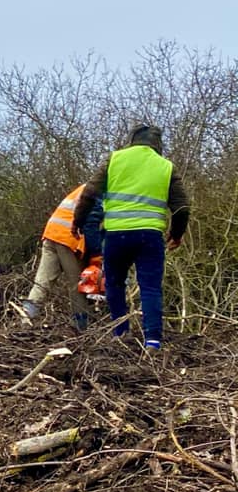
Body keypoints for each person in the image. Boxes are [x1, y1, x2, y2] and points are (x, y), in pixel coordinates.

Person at [72, 124, 189, 352]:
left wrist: (78, 222)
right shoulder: (166, 167)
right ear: (158, 144)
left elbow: (89, 194)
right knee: (150, 287)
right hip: (150, 236)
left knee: (115, 284)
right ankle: (153, 341)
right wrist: (177, 234)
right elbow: (182, 207)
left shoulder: (114, 159)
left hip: (116, 234)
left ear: (132, 140)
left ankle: (120, 333)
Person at [21, 184, 103, 330]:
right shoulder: (103, 190)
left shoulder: (89, 186)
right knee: (79, 285)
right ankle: (82, 328)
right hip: (70, 237)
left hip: (52, 233)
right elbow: (91, 226)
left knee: (42, 282)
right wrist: (96, 257)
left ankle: (25, 320)